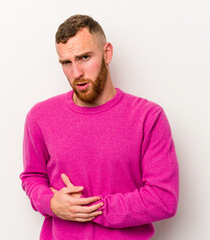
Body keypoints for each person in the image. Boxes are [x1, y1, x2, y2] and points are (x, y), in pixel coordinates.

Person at [20, 14, 179, 240]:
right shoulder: (40, 117)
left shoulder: (148, 117)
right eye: (66, 62)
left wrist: (92, 209)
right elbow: (32, 177)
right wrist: (52, 203)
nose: (76, 73)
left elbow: (163, 198)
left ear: (107, 53)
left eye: (84, 57)